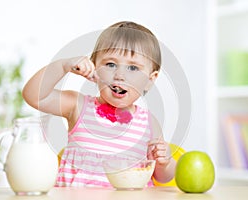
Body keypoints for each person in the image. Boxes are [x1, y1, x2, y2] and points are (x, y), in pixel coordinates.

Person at [22, 21, 176, 187]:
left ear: (150, 80)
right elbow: (34, 96)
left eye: (133, 68)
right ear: (94, 67)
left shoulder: (149, 123)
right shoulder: (78, 106)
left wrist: (164, 163)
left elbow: (161, 177)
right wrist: (63, 66)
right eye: (111, 64)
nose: (120, 75)